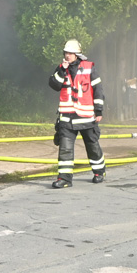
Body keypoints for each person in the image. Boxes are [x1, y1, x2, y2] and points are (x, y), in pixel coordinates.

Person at [49, 39, 106, 187]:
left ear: (77, 54)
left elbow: (98, 90)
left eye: (70, 53)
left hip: (86, 116)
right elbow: (54, 85)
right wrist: (62, 70)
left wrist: (98, 110)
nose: (67, 55)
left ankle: (99, 172)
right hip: (67, 117)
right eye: (66, 53)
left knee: (92, 146)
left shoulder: (89, 68)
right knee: (65, 149)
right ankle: (64, 179)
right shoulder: (61, 68)